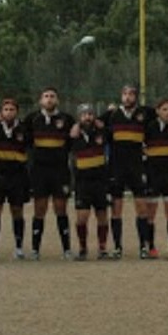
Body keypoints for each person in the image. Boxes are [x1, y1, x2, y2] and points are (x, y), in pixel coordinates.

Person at [99, 84, 155, 259]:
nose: (128, 97)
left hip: (137, 166)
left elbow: (165, 115)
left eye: (131, 94)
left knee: (142, 207)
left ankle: (143, 247)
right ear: (121, 96)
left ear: (136, 97)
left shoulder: (145, 113)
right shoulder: (112, 115)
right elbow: (94, 122)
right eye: (125, 94)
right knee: (116, 208)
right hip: (117, 167)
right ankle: (117, 247)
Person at [23, 87, 74, 260]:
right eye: (46, 96)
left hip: (60, 171)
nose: (49, 99)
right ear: (41, 100)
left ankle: (66, 249)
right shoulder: (32, 119)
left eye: (52, 96)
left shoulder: (67, 119)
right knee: (40, 209)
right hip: (39, 171)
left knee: (61, 208)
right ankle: (35, 250)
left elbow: (73, 141)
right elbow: (24, 140)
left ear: (57, 100)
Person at [0, 98, 29, 260]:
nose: (9, 112)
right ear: (1, 112)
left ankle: (19, 247)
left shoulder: (24, 128)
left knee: (17, 211)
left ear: (17, 111)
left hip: (18, 177)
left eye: (12, 109)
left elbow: (31, 149)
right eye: (6, 109)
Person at [70, 104, 110, 260]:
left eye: (90, 114)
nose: (87, 117)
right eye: (84, 114)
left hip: (100, 181)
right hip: (82, 182)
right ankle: (82, 248)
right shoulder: (73, 134)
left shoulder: (102, 131)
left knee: (102, 215)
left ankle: (102, 248)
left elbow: (112, 117)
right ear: (79, 117)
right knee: (82, 217)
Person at [144, 98, 168, 258]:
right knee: (150, 214)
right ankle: (150, 247)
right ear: (157, 111)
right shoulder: (149, 127)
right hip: (153, 176)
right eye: (164, 109)